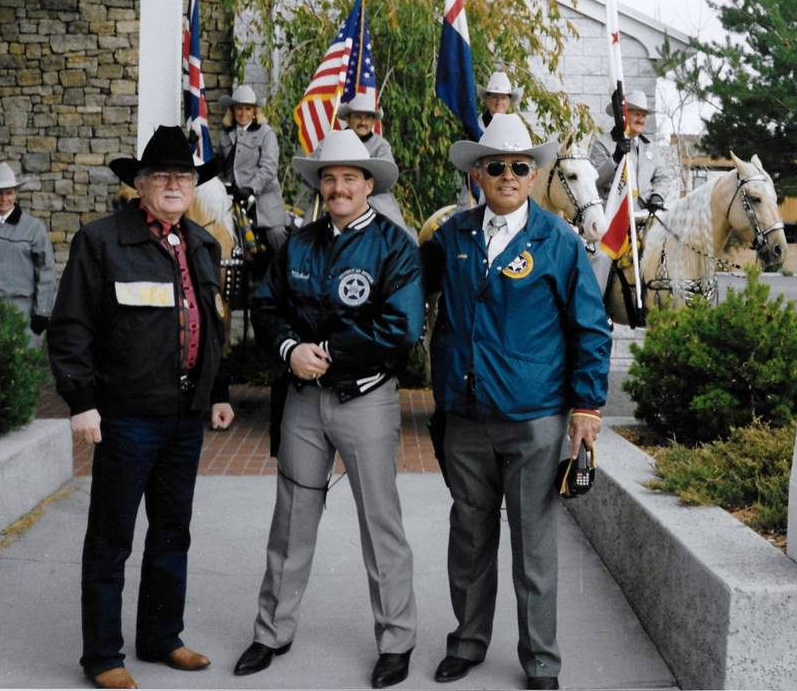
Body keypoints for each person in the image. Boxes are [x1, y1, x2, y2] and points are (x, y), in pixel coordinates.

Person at [422, 113, 611, 691]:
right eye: (496, 165)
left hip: (534, 418)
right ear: (478, 173)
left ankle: (541, 660)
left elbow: (590, 327)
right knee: (470, 537)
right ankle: (469, 642)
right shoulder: (451, 236)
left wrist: (586, 407)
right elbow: (410, 297)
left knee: (534, 545)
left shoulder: (559, 242)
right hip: (466, 416)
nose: (508, 175)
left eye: (520, 167)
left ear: (534, 176)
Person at [234, 129, 424, 689]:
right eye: (330, 178)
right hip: (303, 401)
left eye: (350, 177)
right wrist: (291, 351)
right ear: (320, 185)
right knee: (291, 518)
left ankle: (396, 639)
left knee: (380, 522)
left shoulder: (396, 246)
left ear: (369, 184)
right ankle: (272, 630)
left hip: (365, 398)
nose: (339, 187)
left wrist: (332, 353)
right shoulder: (299, 242)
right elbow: (267, 307)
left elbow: (401, 329)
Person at [47, 126, 235, 690]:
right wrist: (81, 402)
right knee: (111, 538)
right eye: (163, 177)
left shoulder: (202, 244)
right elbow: (70, 327)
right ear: (140, 184)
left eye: (184, 176)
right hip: (125, 417)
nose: (176, 185)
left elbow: (215, 324)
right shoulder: (101, 242)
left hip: (184, 419)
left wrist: (219, 392)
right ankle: (103, 655)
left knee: (172, 532)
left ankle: (160, 637)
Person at [0, 160, 56, 343]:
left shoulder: (33, 228)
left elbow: (46, 271)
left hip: (22, 320)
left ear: (15, 193)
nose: (4, 199)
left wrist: (42, 312)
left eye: (9, 193)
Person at [217, 85, 288, 253]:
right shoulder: (225, 134)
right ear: (232, 111)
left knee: (275, 235)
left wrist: (250, 189)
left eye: (248, 109)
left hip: (263, 200)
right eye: (239, 108)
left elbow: (269, 168)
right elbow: (219, 165)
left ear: (254, 112)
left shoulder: (266, 133)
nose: (243, 113)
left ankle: (287, 275)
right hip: (233, 200)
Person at [337, 91, 415, 239]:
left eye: (368, 118)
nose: (363, 122)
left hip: (374, 196)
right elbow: (315, 170)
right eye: (358, 117)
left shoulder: (381, 145)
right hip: (338, 193)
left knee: (399, 233)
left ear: (373, 121)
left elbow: (387, 174)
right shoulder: (335, 140)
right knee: (309, 229)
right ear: (348, 119)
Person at [588, 88, 672, 214]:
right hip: (612, 218)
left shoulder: (651, 147)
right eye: (637, 114)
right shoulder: (602, 143)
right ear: (624, 116)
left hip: (644, 217)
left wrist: (657, 196)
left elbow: (662, 177)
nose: (641, 120)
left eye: (644, 115)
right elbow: (594, 181)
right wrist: (615, 158)